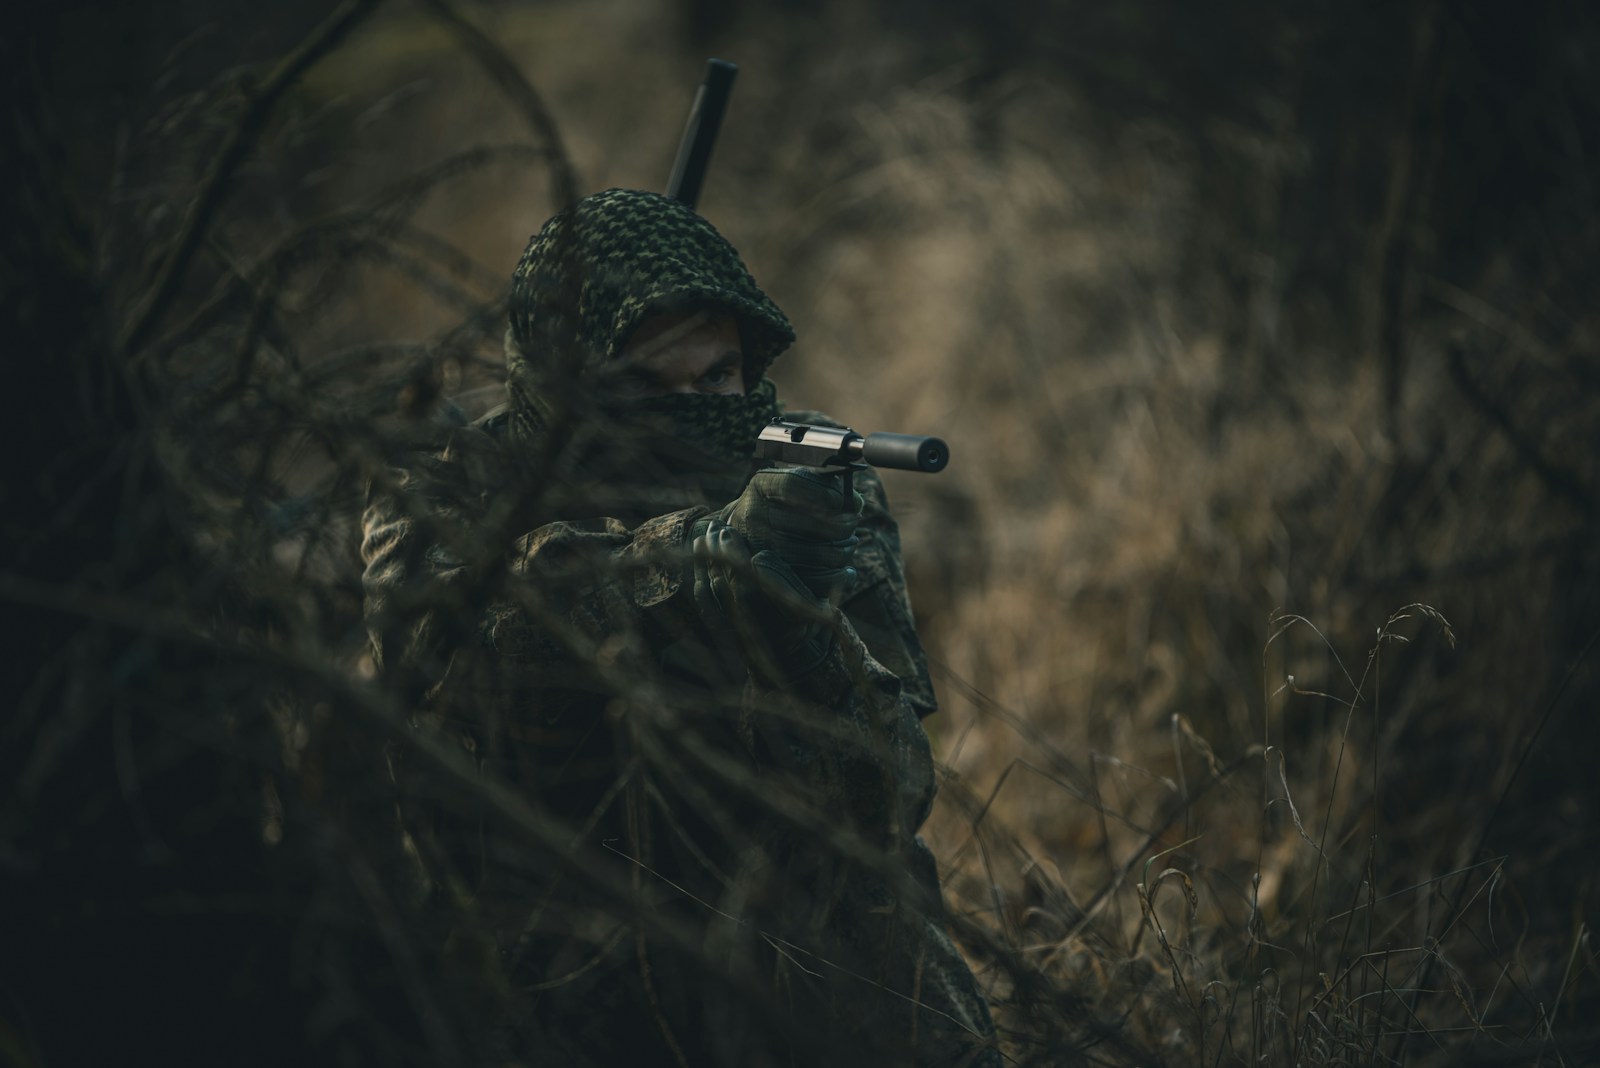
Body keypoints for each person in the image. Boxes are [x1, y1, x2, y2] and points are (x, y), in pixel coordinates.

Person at [361, 188, 999, 1066]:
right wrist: (709, 565)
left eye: (716, 378)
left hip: (780, 925)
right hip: (544, 930)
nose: (693, 408)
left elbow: (883, 795)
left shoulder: (802, 475)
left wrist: (793, 609)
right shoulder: (448, 489)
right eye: (640, 389)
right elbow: (457, 662)